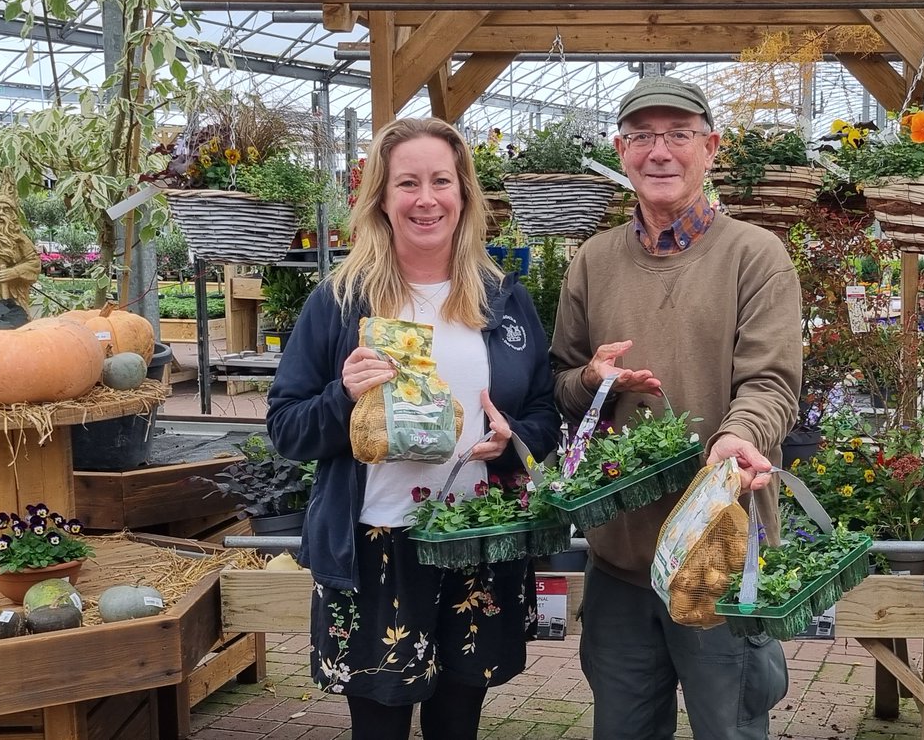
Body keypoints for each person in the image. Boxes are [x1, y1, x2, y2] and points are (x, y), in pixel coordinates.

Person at [266, 117, 561, 740]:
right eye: (407, 183)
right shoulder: (342, 302)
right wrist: (343, 396)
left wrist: (513, 443)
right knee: (380, 721)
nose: (426, 199)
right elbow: (286, 427)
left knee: (458, 718)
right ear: (381, 198)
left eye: (441, 182)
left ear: (464, 195)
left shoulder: (502, 300)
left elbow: (542, 413)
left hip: (477, 537)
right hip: (377, 542)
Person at [550, 76, 802, 740]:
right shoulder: (593, 262)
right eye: (642, 136)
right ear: (621, 149)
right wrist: (589, 381)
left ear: (711, 147)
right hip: (621, 562)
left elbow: (771, 382)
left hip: (718, 557)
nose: (660, 151)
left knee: (732, 727)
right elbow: (561, 381)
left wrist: (736, 436)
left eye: (679, 134)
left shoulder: (755, 257)